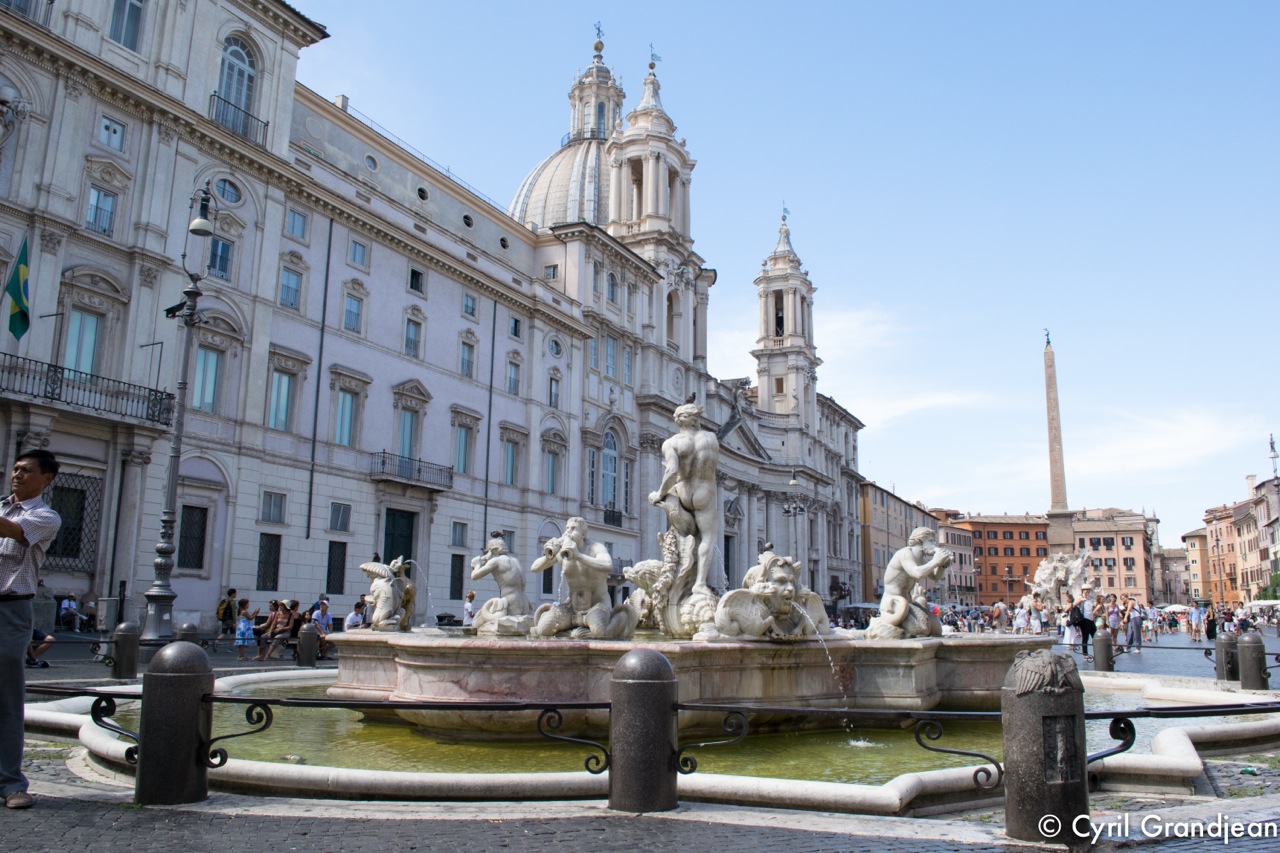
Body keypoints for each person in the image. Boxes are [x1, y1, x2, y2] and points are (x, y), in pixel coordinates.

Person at [1, 449, 62, 809]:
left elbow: (13, 531)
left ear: (46, 479)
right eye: (15, 469)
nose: (17, 475)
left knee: (7, 701)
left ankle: (11, 783)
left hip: (10, 610)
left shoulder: (45, 516)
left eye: (26, 471)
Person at [648, 403, 721, 597]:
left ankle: (678, 577)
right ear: (696, 418)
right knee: (707, 538)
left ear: (677, 420)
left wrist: (660, 493)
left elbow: (671, 471)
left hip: (682, 491)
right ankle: (699, 583)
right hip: (704, 492)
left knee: (681, 536)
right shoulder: (712, 440)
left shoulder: (672, 443)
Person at [530, 517, 636, 639]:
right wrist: (549, 555)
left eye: (573, 529)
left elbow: (608, 565)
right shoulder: (562, 552)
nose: (568, 532)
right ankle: (573, 630)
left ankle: (622, 616)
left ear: (583, 535)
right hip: (572, 608)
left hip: (597, 604)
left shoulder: (595, 548)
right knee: (543, 629)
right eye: (567, 528)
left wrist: (578, 555)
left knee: (600, 632)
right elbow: (534, 568)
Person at [213, 587, 238, 652]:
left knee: (223, 633)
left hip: (224, 619)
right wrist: (234, 623)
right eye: (235, 593)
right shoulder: (232, 602)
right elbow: (233, 613)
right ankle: (230, 648)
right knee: (232, 634)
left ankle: (216, 642)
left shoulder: (225, 601)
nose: (236, 594)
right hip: (230, 620)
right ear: (232, 594)